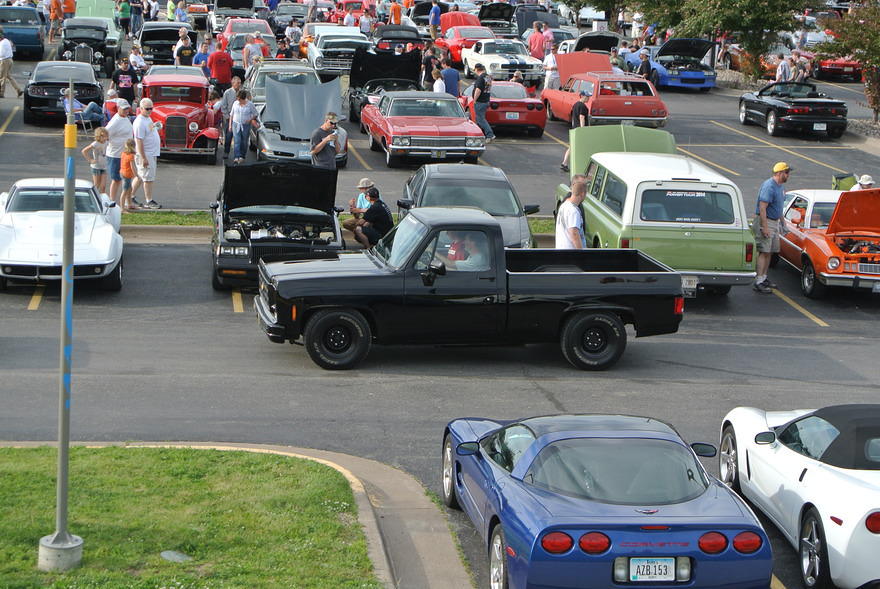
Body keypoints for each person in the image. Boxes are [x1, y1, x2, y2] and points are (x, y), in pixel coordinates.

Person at [753, 162, 791, 293]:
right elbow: (762, 208)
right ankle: (758, 281)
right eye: (786, 172)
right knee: (763, 251)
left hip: (774, 222)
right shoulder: (769, 186)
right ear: (779, 173)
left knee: (770, 251)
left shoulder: (780, 187)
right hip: (766, 221)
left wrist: (783, 223)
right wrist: (765, 227)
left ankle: (764, 277)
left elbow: (779, 208)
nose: (788, 175)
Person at [131, 98, 162, 209]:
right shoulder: (139, 122)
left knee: (140, 176)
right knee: (148, 178)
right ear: (141, 108)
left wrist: (155, 127)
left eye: (151, 108)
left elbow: (149, 131)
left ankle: (131, 197)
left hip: (151, 153)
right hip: (146, 154)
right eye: (147, 109)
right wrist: (143, 157)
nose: (149, 111)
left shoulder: (147, 119)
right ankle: (149, 200)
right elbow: (139, 140)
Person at [105, 99, 133, 203]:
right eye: (124, 109)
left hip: (125, 154)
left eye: (127, 108)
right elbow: (105, 134)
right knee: (116, 179)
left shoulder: (125, 118)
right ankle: (112, 201)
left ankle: (128, 202)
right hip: (115, 155)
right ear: (118, 108)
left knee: (127, 179)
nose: (126, 110)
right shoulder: (115, 121)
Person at [555, 175, 587, 249]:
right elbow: (574, 233)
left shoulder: (564, 205)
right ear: (582, 194)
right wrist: (582, 254)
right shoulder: (573, 211)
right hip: (571, 256)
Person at [560, 91, 588, 172]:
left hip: (574, 128)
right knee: (582, 148)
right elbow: (581, 117)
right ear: (582, 96)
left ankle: (564, 163)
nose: (588, 98)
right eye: (587, 96)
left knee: (572, 147)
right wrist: (583, 130)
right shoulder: (582, 106)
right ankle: (582, 166)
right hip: (579, 130)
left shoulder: (575, 105)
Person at [229, 89, 260, 164]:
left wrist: (250, 120)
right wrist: (230, 125)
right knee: (237, 141)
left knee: (244, 141)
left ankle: (242, 156)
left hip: (245, 125)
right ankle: (236, 156)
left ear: (243, 98)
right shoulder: (235, 103)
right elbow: (231, 114)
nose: (238, 100)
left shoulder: (250, 104)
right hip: (236, 124)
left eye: (240, 99)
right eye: (237, 99)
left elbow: (255, 114)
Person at [82, 127, 109, 194]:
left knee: (103, 186)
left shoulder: (107, 142)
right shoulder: (95, 143)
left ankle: (102, 200)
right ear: (98, 136)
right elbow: (84, 151)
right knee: (97, 184)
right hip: (96, 166)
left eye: (105, 136)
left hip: (104, 166)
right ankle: (94, 198)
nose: (104, 138)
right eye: (102, 136)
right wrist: (90, 160)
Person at [472, 63, 494, 142]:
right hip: (486, 100)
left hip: (480, 101)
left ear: (477, 69)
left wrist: (474, 99)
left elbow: (478, 90)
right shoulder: (488, 77)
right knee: (480, 119)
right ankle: (479, 134)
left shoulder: (480, 78)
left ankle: (490, 134)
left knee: (480, 119)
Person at [220, 76, 241, 157]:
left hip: (240, 118)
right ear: (233, 83)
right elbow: (223, 106)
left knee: (239, 138)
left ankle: (239, 154)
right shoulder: (227, 93)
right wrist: (227, 117)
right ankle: (226, 152)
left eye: (240, 83)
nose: (239, 85)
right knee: (228, 136)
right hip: (229, 118)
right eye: (238, 83)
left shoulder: (242, 92)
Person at [0, 31, 23, 98]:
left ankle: (1, 93)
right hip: (10, 60)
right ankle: (18, 90)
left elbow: (2, 54)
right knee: (8, 76)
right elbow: (11, 44)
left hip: (4, 61)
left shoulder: (2, 44)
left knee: (2, 77)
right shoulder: (6, 40)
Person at [120, 138, 138, 210]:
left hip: (123, 173)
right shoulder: (131, 156)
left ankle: (129, 204)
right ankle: (122, 208)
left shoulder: (124, 153)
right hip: (127, 175)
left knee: (129, 189)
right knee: (125, 191)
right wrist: (136, 175)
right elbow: (132, 167)